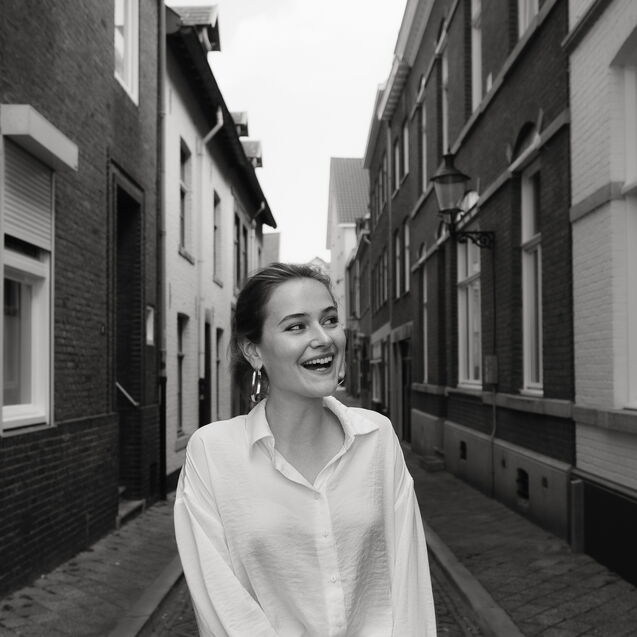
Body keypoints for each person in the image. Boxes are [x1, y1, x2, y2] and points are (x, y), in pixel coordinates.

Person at [174, 262, 437, 636]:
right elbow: (222, 605)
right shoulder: (212, 454)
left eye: (329, 320)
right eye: (296, 326)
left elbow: (409, 581)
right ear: (254, 351)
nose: (324, 338)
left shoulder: (377, 437)